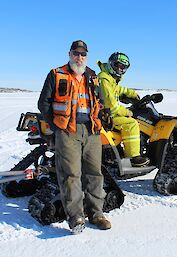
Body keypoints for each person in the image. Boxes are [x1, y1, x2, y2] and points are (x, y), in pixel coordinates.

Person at [38, 40, 111, 234]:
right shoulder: (57, 74)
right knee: (71, 174)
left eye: (83, 54)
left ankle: (97, 214)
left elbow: (101, 101)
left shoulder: (92, 76)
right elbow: (43, 103)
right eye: (76, 53)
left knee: (95, 173)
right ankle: (76, 216)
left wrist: (104, 116)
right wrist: (56, 127)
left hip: (92, 131)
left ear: (86, 56)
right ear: (69, 54)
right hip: (67, 131)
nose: (79, 57)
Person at [97, 52, 150, 167]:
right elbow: (112, 107)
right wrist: (127, 112)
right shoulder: (104, 79)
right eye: (118, 65)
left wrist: (132, 93)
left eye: (123, 67)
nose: (120, 69)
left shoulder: (110, 78)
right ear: (111, 64)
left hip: (106, 113)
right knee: (131, 123)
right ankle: (133, 158)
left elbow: (119, 89)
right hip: (106, 115)